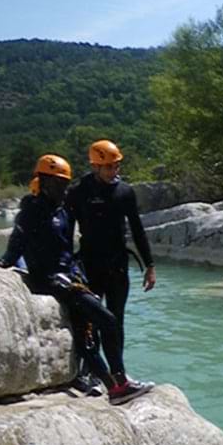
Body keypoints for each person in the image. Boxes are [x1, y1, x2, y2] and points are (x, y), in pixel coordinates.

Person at [0, 154, 154, 405]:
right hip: (51, 278)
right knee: (107, 320)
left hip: (69, 274)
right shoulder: (31, 210)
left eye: (65, 184)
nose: (63, 189)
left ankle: (112, 388)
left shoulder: (61, 210)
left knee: (85, 334)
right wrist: (2, 262)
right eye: (58, 184)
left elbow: (66, 246)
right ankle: (120, 382)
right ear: (44, 182)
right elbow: (15, 248)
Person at [65, 139, 156, 350]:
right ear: (94, 166)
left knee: (116, 320)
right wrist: (67, 264)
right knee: (92, 319)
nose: (114, 170)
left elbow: (137, 229)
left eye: (117, 166)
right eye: (108, 166)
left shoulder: (124, 192)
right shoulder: (78, 191)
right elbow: (67, 230)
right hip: (90, 264)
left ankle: (118, 373)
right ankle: (92, 370)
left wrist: (150, 265)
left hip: (117, 265)